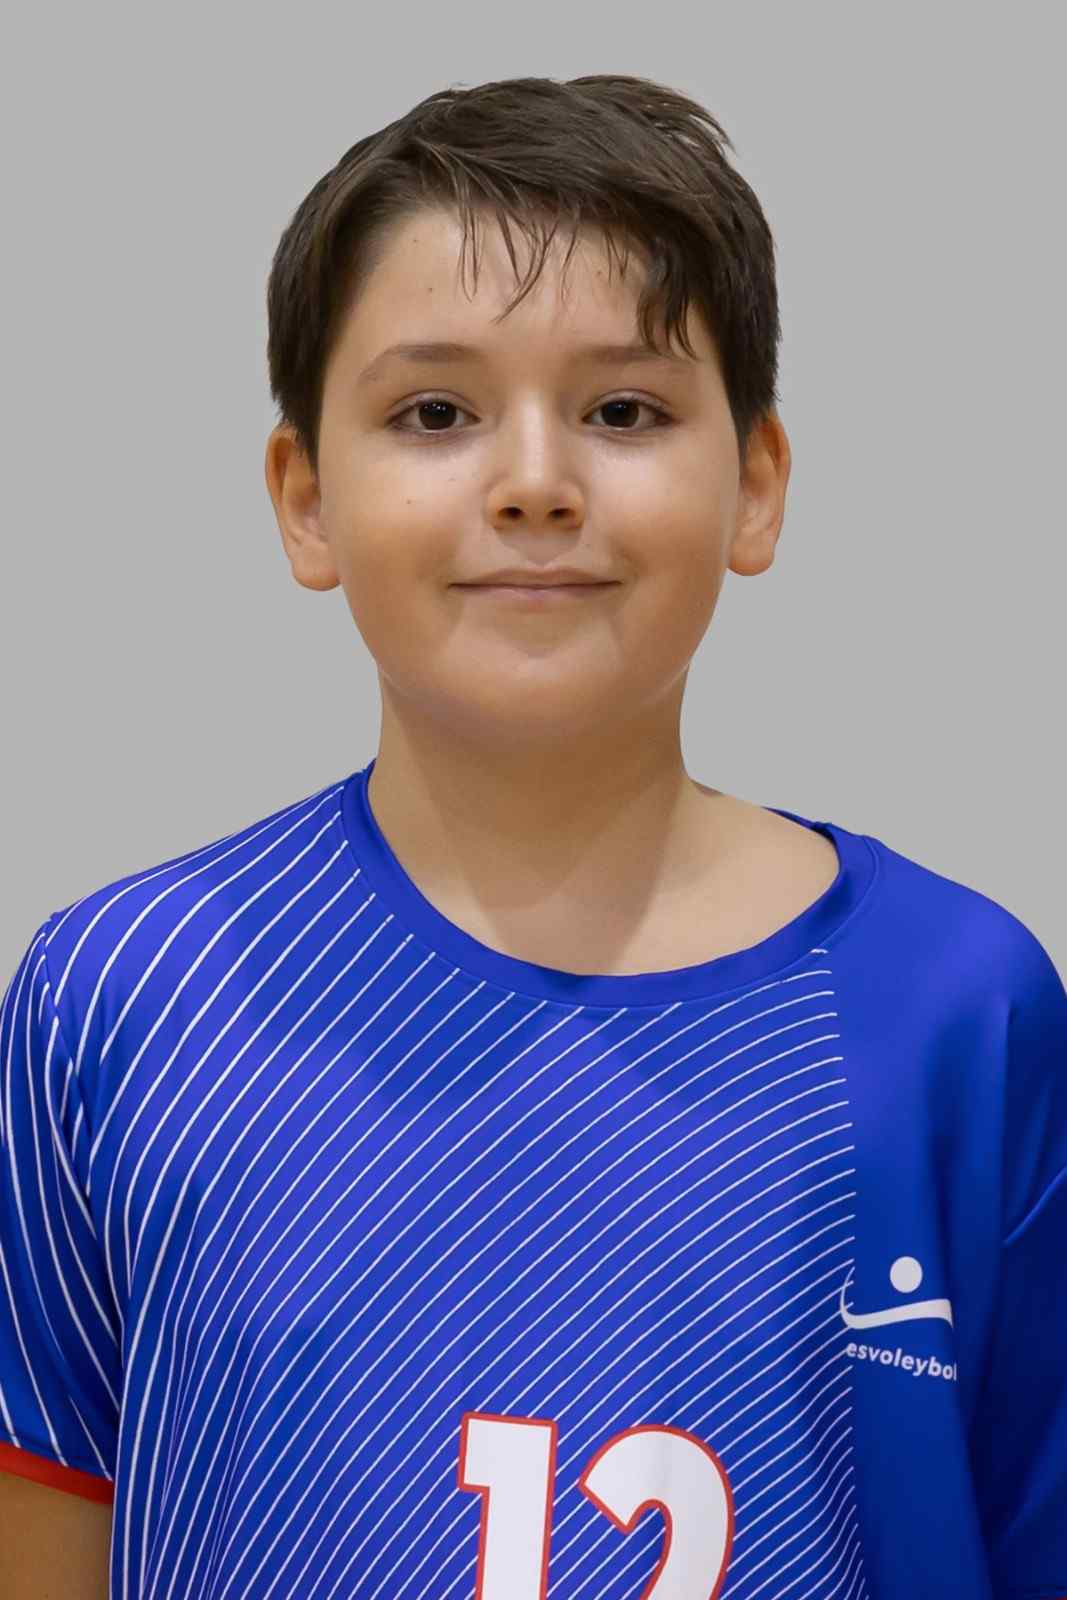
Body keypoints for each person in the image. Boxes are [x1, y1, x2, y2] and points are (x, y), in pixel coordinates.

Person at [1, 72, 1064, 1600]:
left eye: (624, 411)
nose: (535, 487)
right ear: (304, 497)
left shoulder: (962, 1008)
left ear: (756, 485)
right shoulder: (121, 996)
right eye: (434, 413)